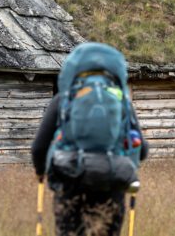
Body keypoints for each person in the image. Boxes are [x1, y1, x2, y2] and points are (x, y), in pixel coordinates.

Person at [31, 43, 149, 236]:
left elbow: (38, 148)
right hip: (112, 186)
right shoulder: (122, 101)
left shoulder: (63, 99)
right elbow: (142, 150)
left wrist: (40, 171)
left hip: (69, 184)